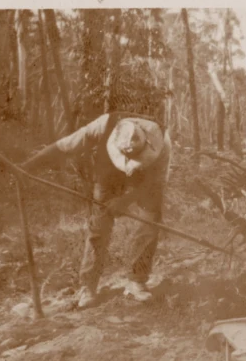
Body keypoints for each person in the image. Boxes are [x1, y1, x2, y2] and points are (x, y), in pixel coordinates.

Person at [21, 113, 171, 308]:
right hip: (108, 175)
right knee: (99, 225)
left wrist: (125, 200)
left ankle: (137, 280)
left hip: (146, 179)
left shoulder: (162, 143)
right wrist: (28, 166)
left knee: (150, 220)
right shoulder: (103, 125)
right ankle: (88, 286)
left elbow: (156, 183)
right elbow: (64, 146)